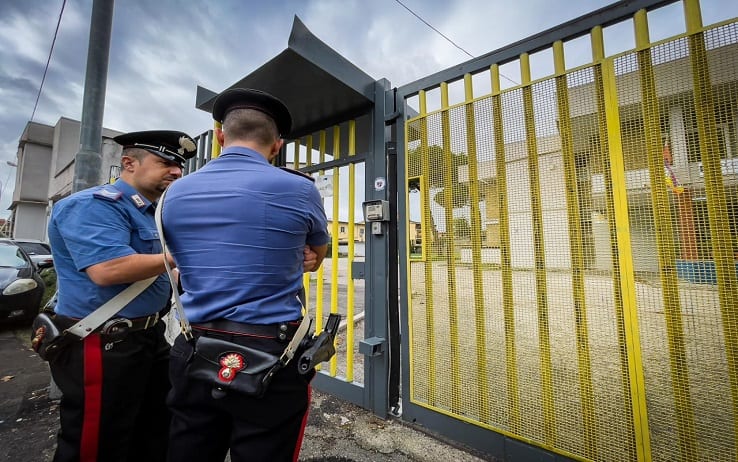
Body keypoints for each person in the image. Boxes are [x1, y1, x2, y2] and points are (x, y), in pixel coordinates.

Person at [161, 88, 330, 462]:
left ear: (220, 136)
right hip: (271, 352)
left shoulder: (176, 192)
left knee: (188, 449)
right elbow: (316, 254)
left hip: (193, 347)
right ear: (277, 145)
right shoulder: (299, 189)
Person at [47, 130, 197, 462]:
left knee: (153, 428)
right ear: (129, 163)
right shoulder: (92, 205)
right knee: (98, 440)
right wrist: (184, 254)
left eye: (179, 166)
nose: (176, 171)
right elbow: (108, 269)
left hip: (149, 336)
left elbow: (158, 269)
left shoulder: (153, 214)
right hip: (103, 341)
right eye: (166, 162)